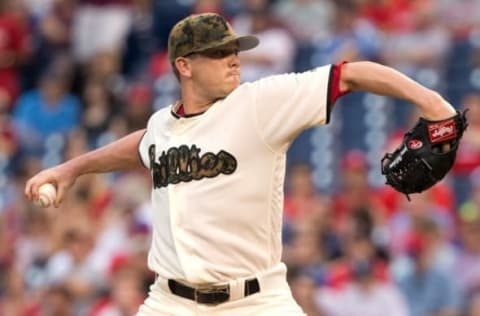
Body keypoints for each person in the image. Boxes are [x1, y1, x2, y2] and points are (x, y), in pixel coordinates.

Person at [25, 12, 457, 315]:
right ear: (184, 66)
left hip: (256, 301)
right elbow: (142, 144)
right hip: (171, 302)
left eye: (234, 49)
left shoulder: (259, 103)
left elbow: (352, 74)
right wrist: (71, 168)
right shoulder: (162, 125)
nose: (233, 58)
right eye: (217, 53)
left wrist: (435, 104)